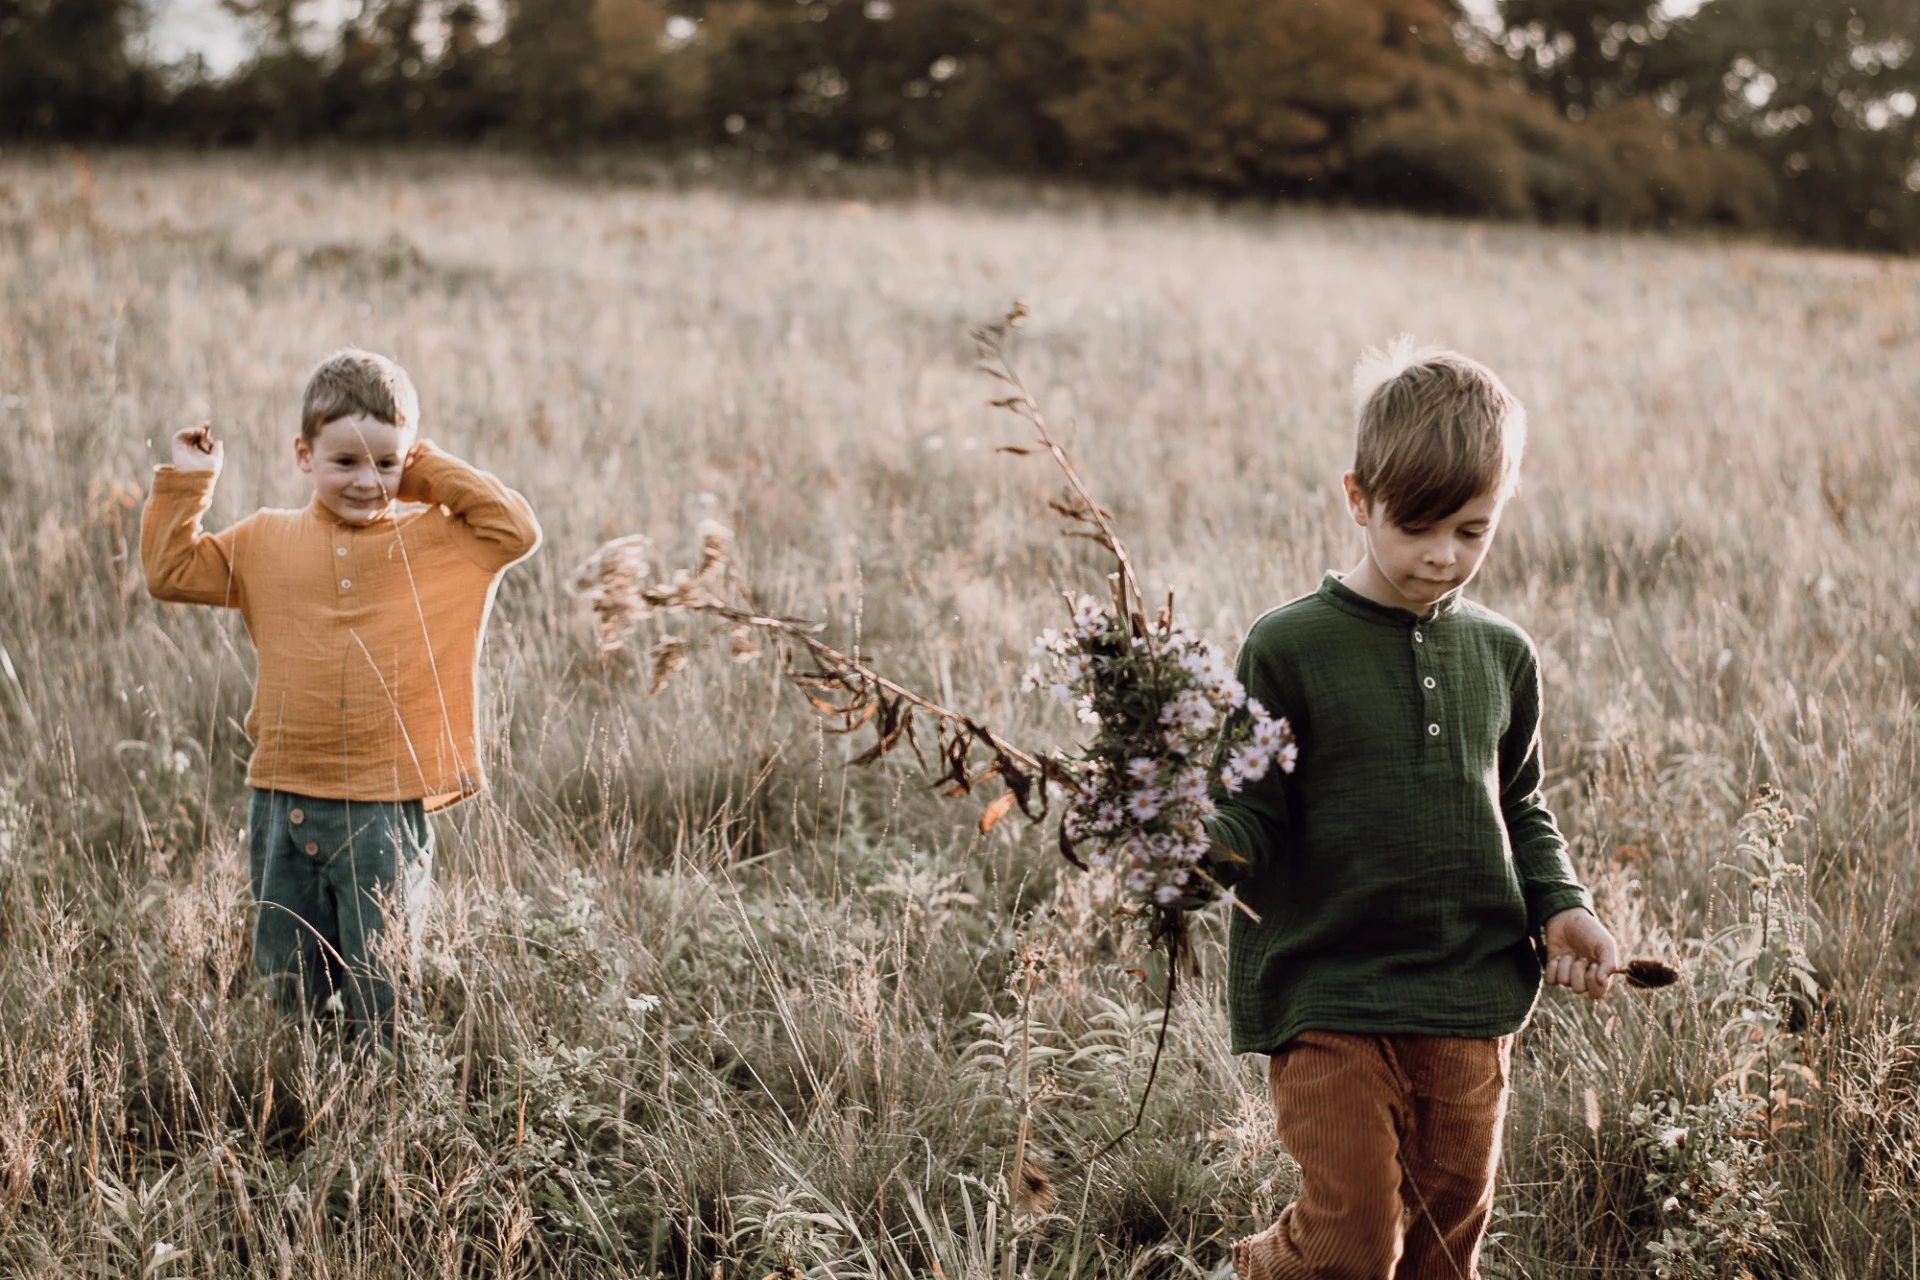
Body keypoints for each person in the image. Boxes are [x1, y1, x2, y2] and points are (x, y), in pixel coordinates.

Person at [1206, 338, 1619, 1280]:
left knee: (1441, 1251)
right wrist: (1195, 852)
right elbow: (1250, 812)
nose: (1443, 557)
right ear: (1358, 500)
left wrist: (1564, 905)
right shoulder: (1288, 646)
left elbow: (1520, 802)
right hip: (1329, 989)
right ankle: (1255, 1270)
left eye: (1472, 532)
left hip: (1468, 996)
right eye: (1417, 526)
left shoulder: (1504, 656)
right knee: (1354, 1244)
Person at [142, 348, 540, 1049]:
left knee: (381, 989)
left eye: (385, 463)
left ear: (408, 458)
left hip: (385, 808)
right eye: (345, 462)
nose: (367, 482)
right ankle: (299, 1111)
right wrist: (190, 483)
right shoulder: (266, 540)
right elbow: (171, 572)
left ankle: (383, 1116)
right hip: (281, 799)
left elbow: (516, 530)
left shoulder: (439, 541)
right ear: (304, 454)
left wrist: (425, 472)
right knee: (289, 986)